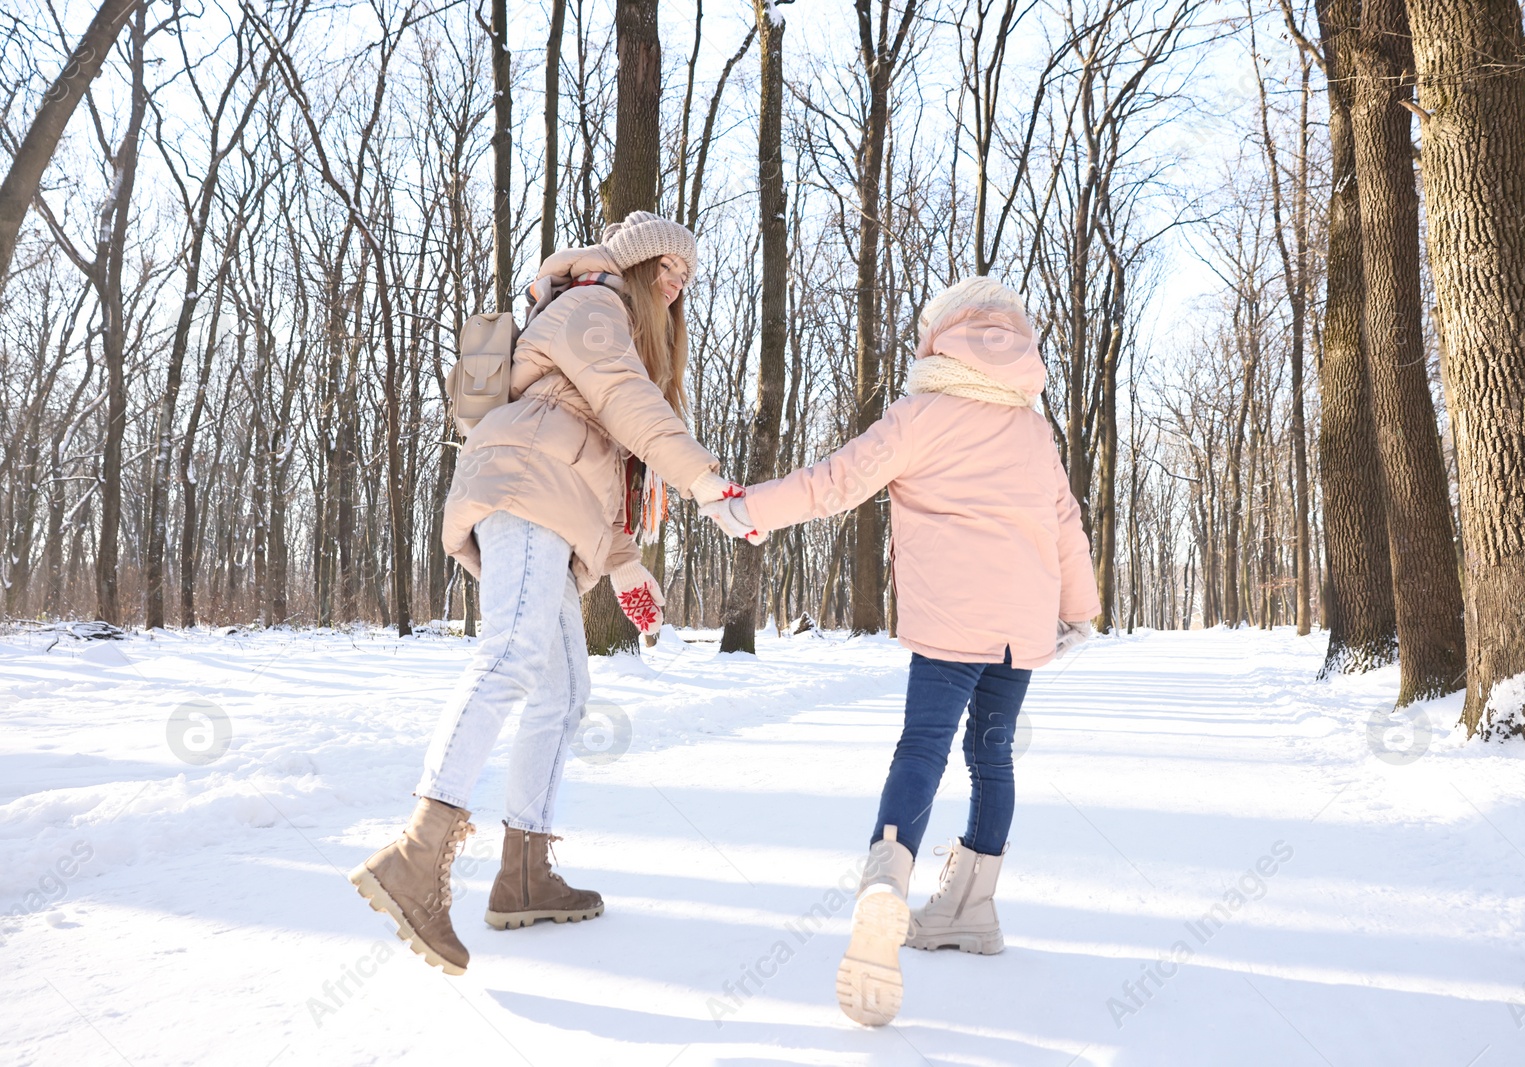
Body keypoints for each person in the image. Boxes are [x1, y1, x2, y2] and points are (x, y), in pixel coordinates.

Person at [349, 212, 745, 976]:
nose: (677, 285)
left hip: (550, 507)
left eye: (687, 280)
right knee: (511, 659)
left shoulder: (611, 324)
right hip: (523, 491)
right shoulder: (594, 306)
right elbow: (626, 410)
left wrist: (623, 560)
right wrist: (705, 480)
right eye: (668, 268)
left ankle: (523, 871)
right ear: (632, 264)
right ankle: (414, 853)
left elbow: (590, 465)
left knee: (564, 690)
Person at [704, 276, 1100, 1026]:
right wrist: (1078, 608)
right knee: (994, 754)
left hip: (951, 618)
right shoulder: (1032, 427)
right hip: (1020, 622)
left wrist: (751, 509)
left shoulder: (922, 413)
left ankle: (887, 880)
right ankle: (972, 910)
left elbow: (836, 482)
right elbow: (1066, 520)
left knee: (921, 747)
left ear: (940, 335)